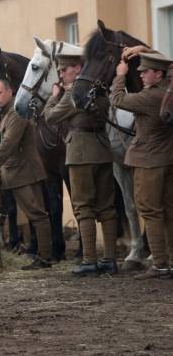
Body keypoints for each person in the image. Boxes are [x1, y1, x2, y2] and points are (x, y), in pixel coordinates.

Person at [44, 51, 118, 276]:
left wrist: (54, 96)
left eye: (64, 69)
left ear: (77, 69)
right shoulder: (100, 89)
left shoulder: (75, 91)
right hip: (103, 150)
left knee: (83, 206)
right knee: (107, 208)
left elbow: (50, 117)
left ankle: (89, 260)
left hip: (80, 154)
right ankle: (110, 260)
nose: (61, 74)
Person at [111, 49, 173, 280]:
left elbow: (116, 99)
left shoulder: (149, 97)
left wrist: (120, 75)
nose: (141, 76)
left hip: (149, 161)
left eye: (146, 72)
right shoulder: (167, 89)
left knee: (150, 210)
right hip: (167, 159)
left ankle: (160, 264)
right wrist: (144, 51)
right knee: (168, 211)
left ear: (158, 74)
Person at [0, 79, 52, 270]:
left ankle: (45, 258)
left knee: (37, 215)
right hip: (13, 170)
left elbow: (9, 145)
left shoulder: (17, 111)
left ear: (10, 91)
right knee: (34, 215)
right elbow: (3, 144)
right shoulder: (5, 115)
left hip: (25, 171)